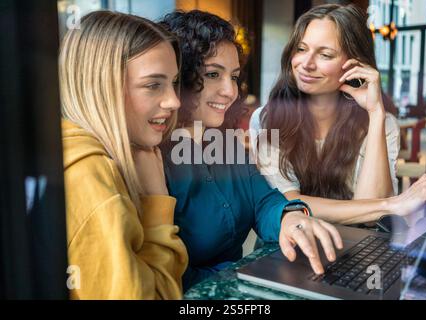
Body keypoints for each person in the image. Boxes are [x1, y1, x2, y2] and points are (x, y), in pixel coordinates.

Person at [158, 10, 344, 290]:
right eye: (212, 74)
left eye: (233, 77)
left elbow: (263, 201)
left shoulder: (225, 141)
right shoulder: (152, 155)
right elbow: (165, 271)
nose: (229, 91)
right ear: (179, 75)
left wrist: (289, 218)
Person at [250, 4, 426, 225]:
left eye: (325, 54)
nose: (306, 64)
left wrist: (375, 114)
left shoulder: (382, 123)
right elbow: (289, 205)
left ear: (355, 64)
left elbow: (373, 219)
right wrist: (391, 204)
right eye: (301, 49)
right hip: (285, 248)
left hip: (356, 248)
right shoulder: (267, 120)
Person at [59, 11, 188, 299]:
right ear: (100, 86)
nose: (174, 100)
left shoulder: (64, 148)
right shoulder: (90, 175)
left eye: (172, 82)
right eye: (153, 85)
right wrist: (157, 203)